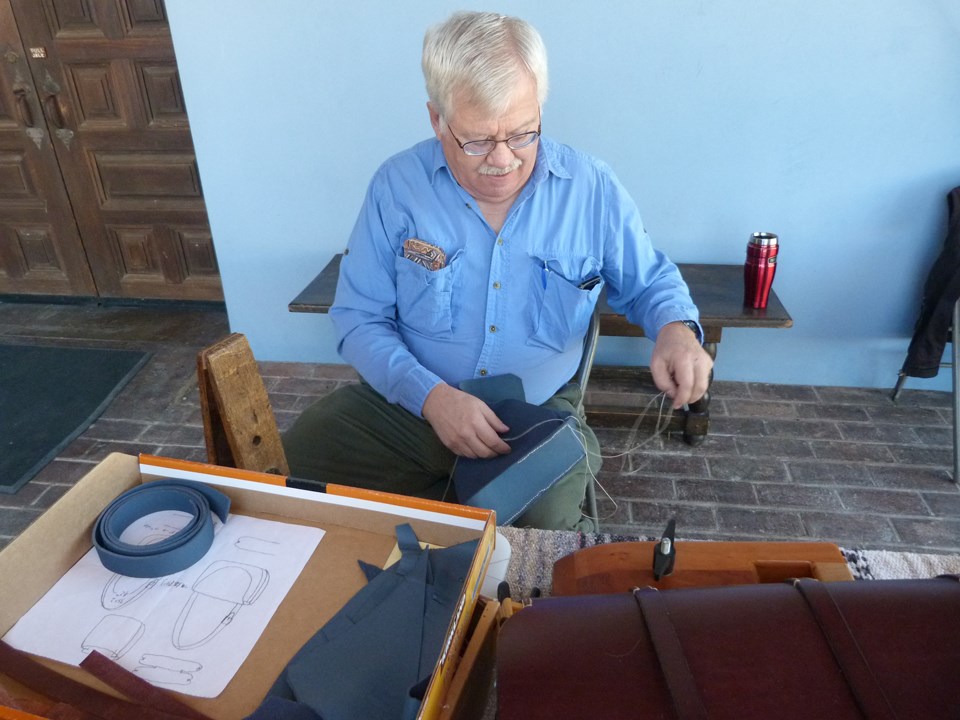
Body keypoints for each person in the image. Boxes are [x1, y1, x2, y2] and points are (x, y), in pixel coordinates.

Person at [282, 10, 713, 531]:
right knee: (291, 465)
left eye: (523, 133)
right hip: (413, 406)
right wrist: (434, 399)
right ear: (437, 119)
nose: (503, 159)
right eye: (478, 140)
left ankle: (469, 529)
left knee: (545, 536)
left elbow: (650, 282)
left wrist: (676, 331)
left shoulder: (591, 188)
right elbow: (357, 319)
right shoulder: (397, 187)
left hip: (531, 415)